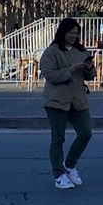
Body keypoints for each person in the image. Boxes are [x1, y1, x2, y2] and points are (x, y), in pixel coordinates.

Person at [40, 17, 95, 190]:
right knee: (58, 139)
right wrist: (71, 70)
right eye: (71, 32)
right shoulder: (52, 51)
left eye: (76, 33)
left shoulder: (81, 51)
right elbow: (49, 74)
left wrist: (89, 68)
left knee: (86, 133)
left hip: (78, 100)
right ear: (62, 32)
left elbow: (90, 76)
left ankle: (69, 164)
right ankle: (58, 174)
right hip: (57, 101)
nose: (73, 36)